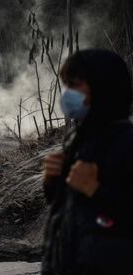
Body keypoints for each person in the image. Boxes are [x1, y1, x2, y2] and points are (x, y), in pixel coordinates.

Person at [42, 49, 133, 275]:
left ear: (104, 86)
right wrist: (52, 182)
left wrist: (97, 190)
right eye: (67, 86)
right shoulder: (79, 138)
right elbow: (68, 207)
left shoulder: (127, 141)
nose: (68, 94)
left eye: (75, 85)